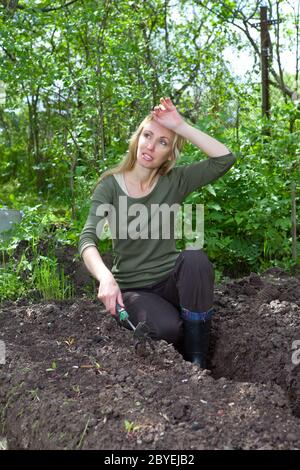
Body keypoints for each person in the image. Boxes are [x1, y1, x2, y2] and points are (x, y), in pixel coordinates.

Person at [78, 97, 236, 368]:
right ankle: (179, 325)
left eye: (163, 142)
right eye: (147, 135)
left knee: (195, 259)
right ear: (137, 139)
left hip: (172, 282)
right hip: (135, 289)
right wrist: (105, 278)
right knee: (167, 330)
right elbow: (87, 238)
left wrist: (180, 126)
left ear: (169, 154)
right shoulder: (110, 186)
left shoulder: (175, 181)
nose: (151, 145)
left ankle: (197, 362)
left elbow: (224, 159)